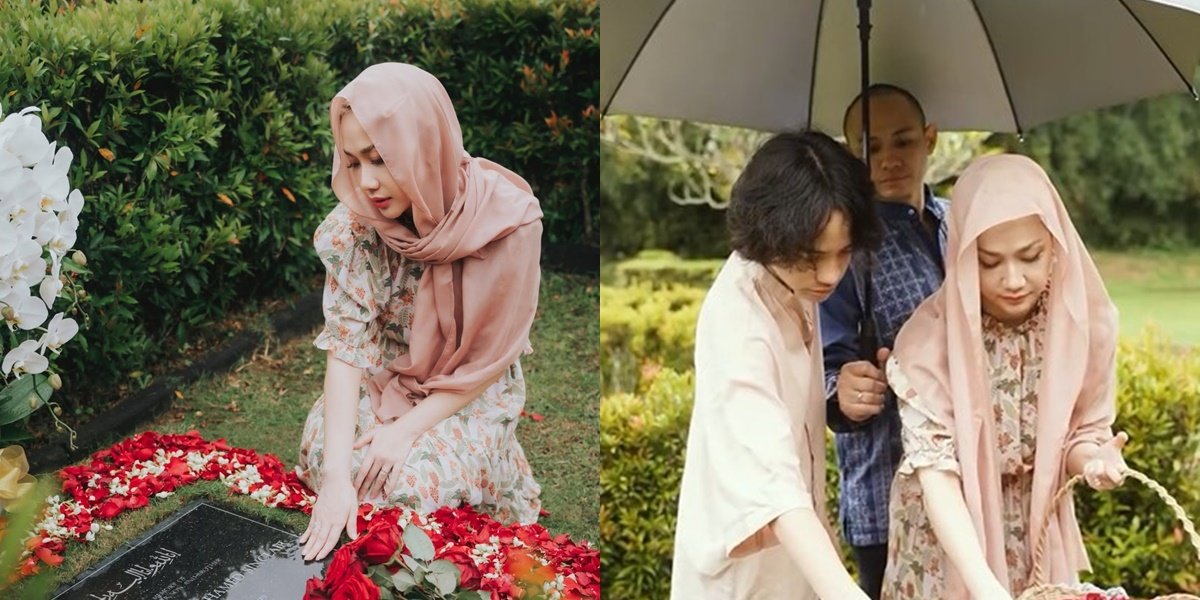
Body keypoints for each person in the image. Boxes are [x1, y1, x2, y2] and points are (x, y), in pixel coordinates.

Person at [294, 63, 544, 562]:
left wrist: (403, 431)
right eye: (353, 161)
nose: (366, 182)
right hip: (388, 378)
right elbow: (347, 351)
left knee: (407, 483)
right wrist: (337, 478)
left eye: (380, 159)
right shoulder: (355, 229)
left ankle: (495, 471)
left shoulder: (507, 222)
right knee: (334, 460)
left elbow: (488, 360)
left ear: (421, 142)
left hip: (469, 391)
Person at [881, 154, 1129, 599]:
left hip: (1034, 534)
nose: (1013, 279)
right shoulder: (927, 343)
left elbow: (1080, 433)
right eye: (990, 262)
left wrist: (1094, 460)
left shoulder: (1084, 324)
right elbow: (935, 472)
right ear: (959, 254)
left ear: (1055, 245)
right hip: (950, 541)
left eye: (1030, 256)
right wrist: (983, 585)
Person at [671, 130, 882, 600]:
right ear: (769, 234)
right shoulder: (740, 322)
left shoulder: (796, 284)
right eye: (812, 258)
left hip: (798, 557)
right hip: (744, 573)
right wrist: (844, 592)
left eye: (843, 252)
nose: (830, 275)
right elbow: (773, 485)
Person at [819, 83, 947, 599]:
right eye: (871, 146)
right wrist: (840, 390)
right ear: (851, 152)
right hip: (883, 494)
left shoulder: (965, 224)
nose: (889, 159)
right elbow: (820, 367)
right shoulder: (843, 246)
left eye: (904, 141)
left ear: (931, 139)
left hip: (973, 485)